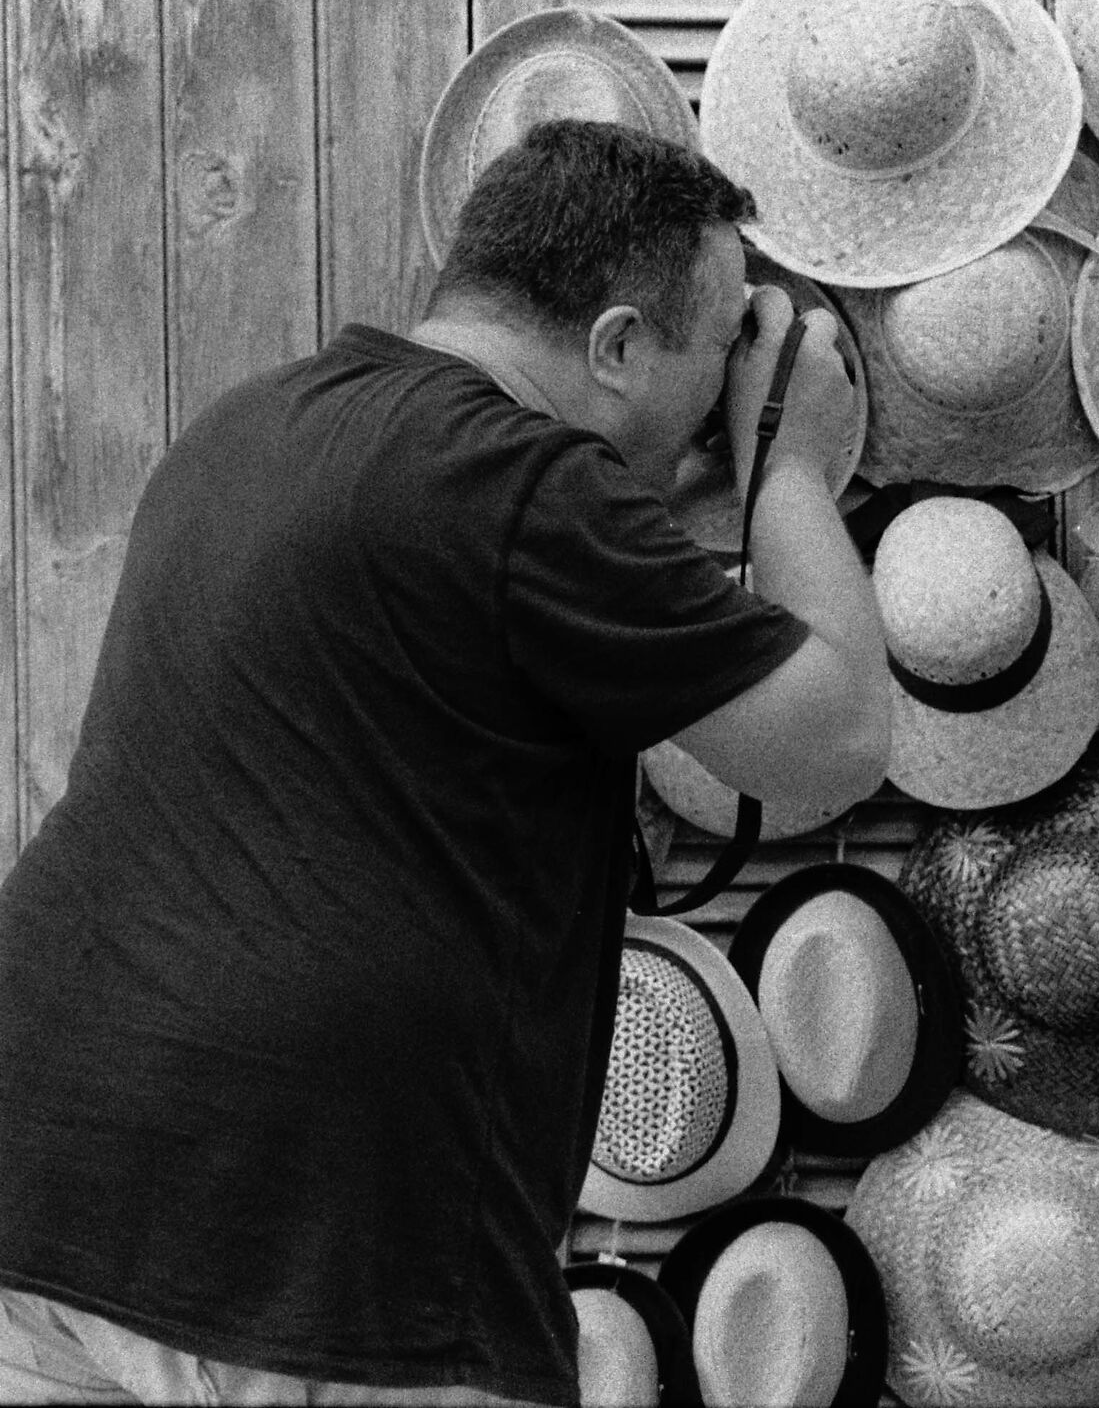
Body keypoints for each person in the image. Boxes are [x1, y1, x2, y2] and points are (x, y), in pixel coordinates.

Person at [0, 120, 891, 1406]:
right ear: (620, 346)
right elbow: (838, 737)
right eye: (709, 361)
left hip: (42, 1179)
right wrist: (790, 465)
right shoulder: (521, 482)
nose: (714, 407)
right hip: (314, 1251)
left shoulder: (246, 429)